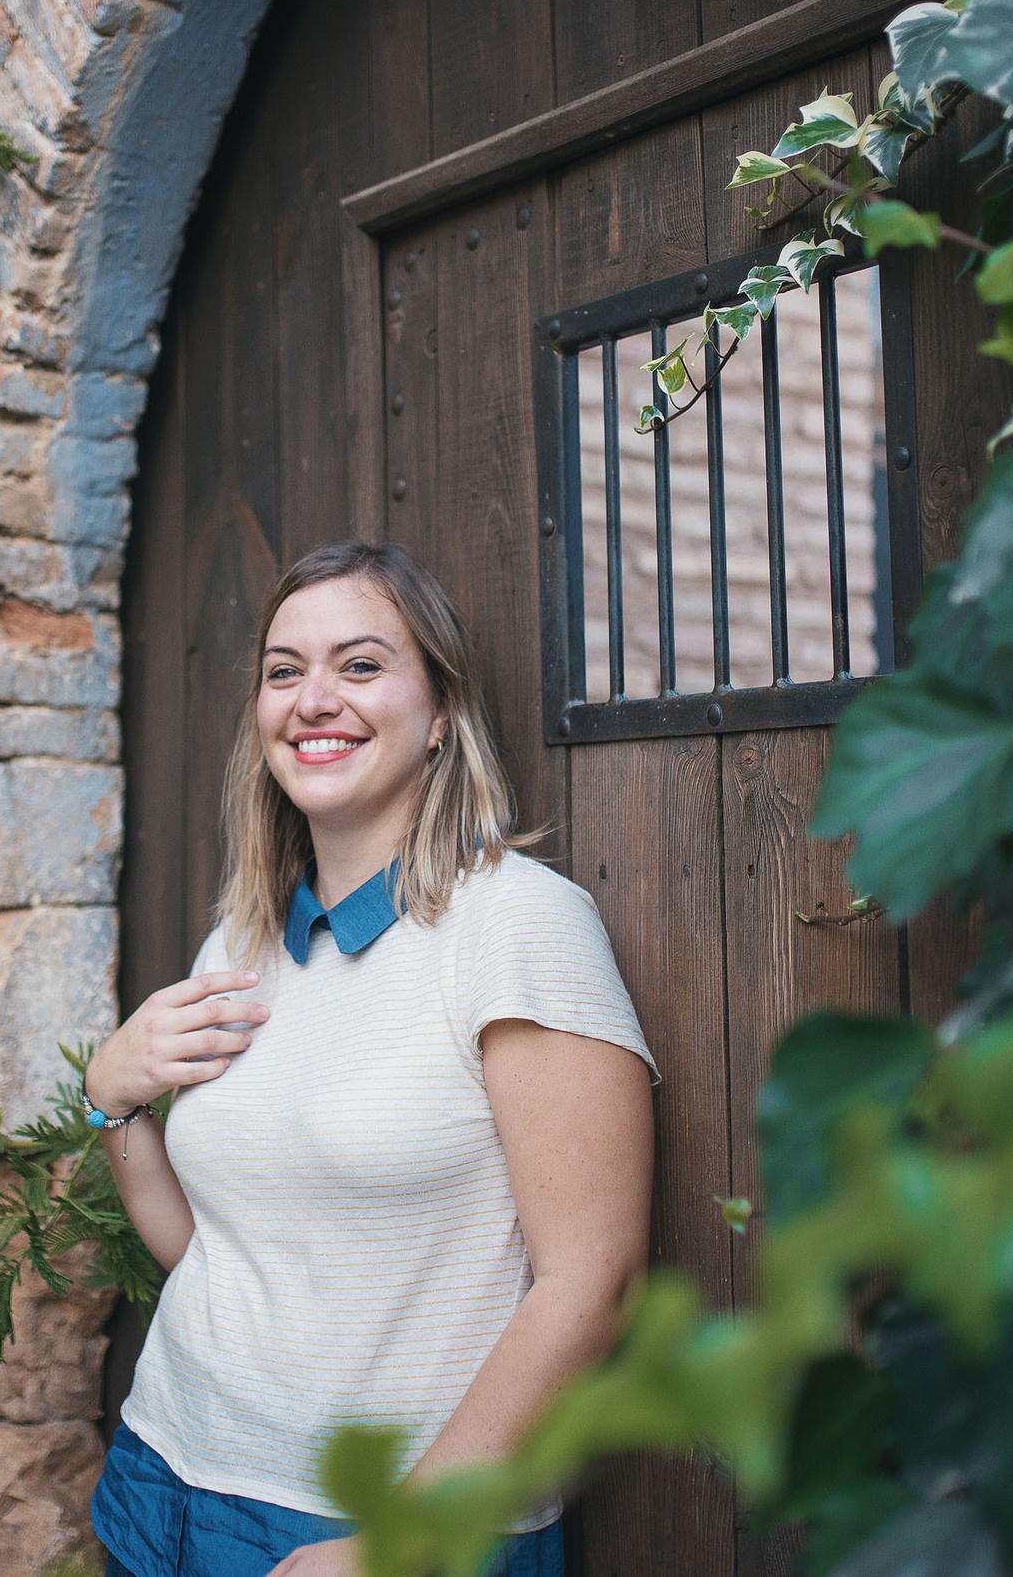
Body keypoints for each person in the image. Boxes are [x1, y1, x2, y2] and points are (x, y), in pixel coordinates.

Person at [83, 539, 656, 1577]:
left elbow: (592, 1285)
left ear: (439, 714)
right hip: (164, 1474)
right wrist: (111, 1099)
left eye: (359, 665)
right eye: (283, 670)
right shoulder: (242, 941)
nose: (313, 698)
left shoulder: (516, 925)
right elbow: (216, 1255)